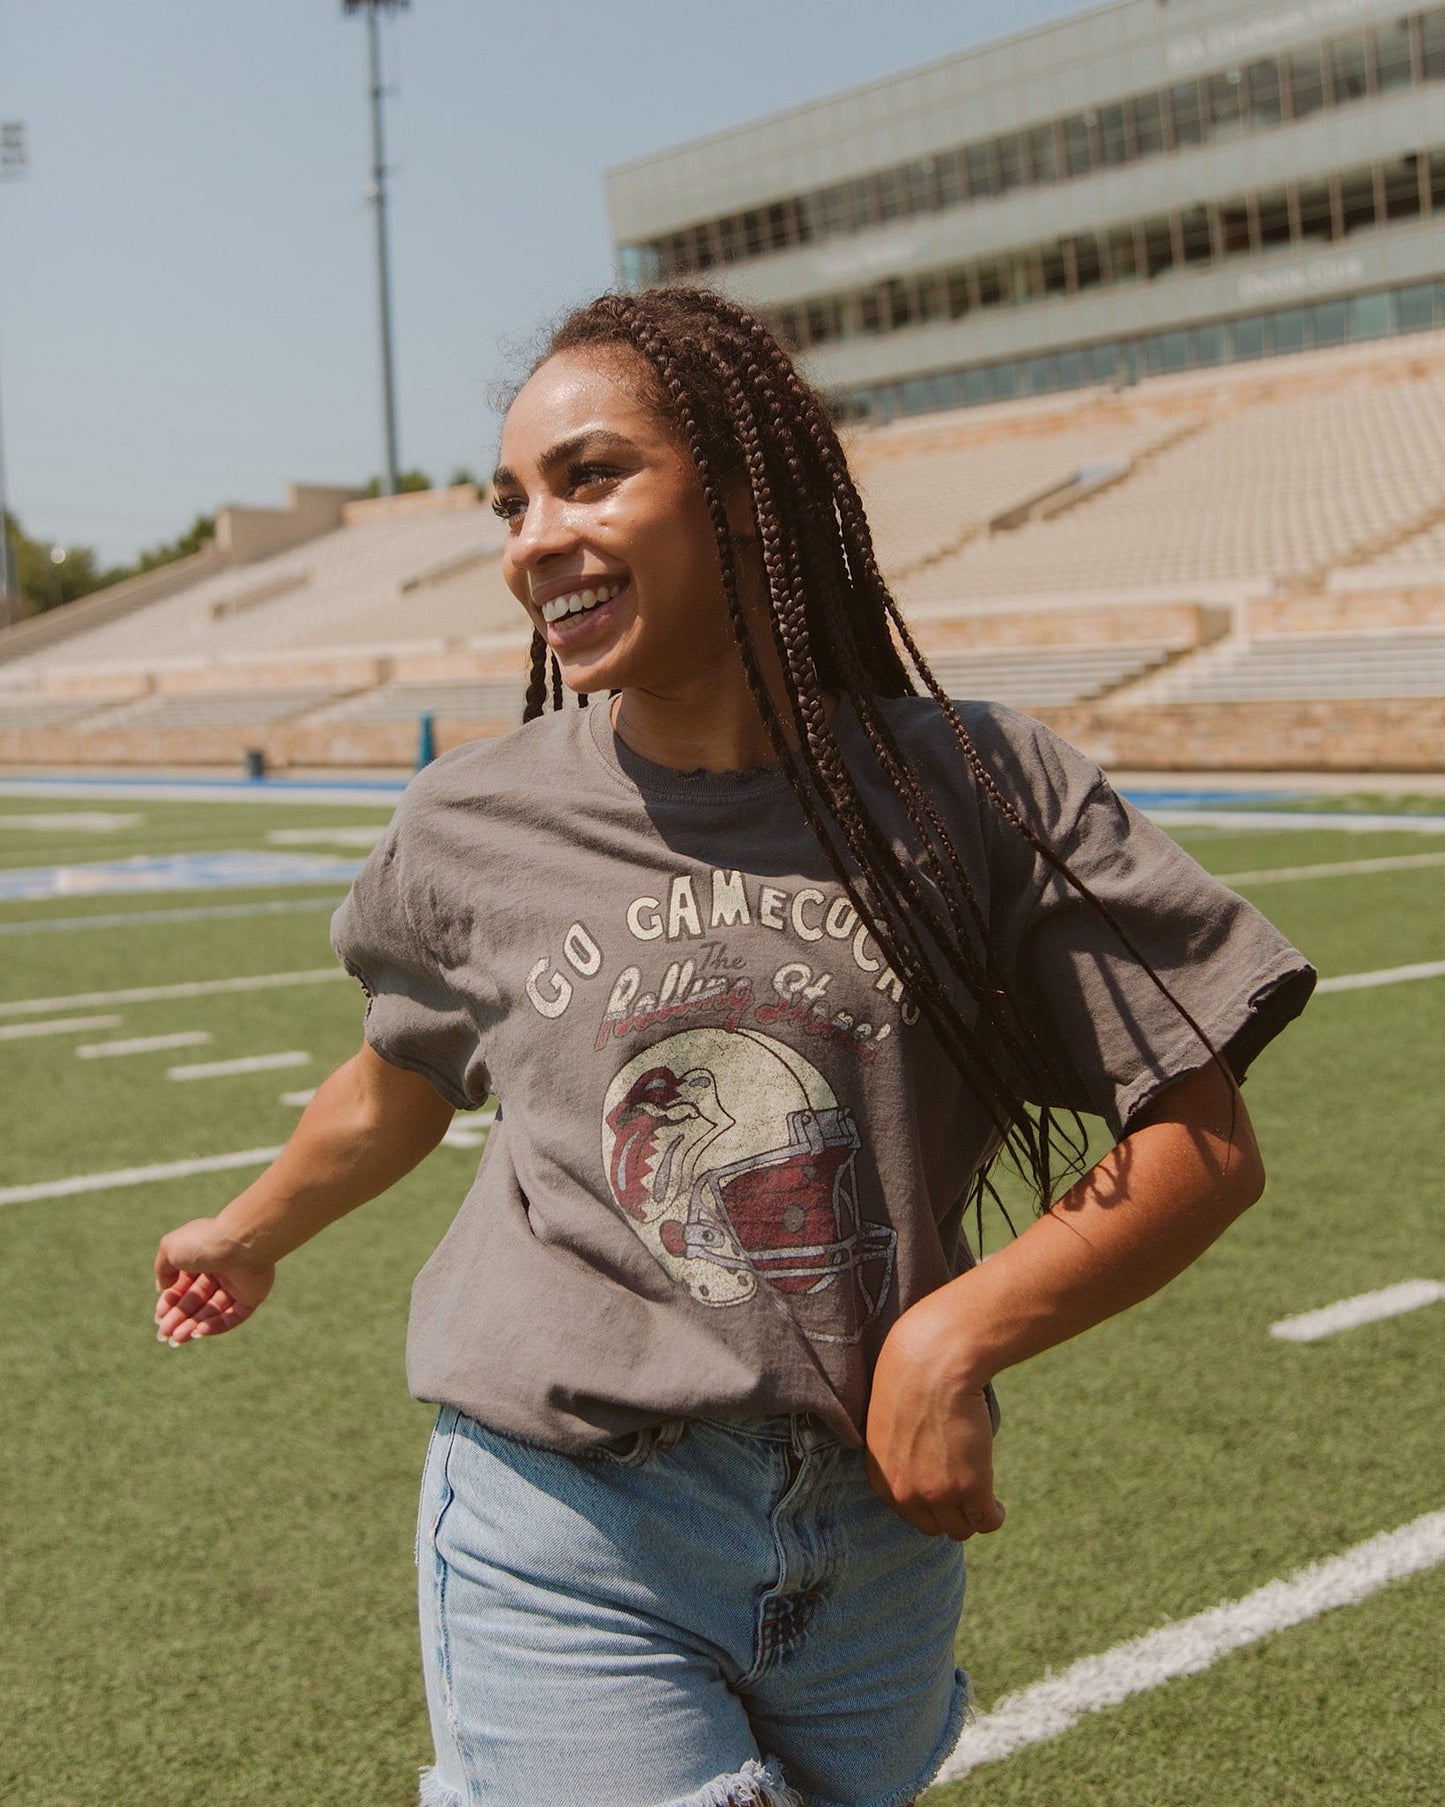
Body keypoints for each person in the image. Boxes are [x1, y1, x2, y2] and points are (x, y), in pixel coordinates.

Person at [153, 287, 1315, 1807]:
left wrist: (951, 1336)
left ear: (749, 495)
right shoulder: (468, 821)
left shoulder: (981, 789)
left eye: (589, 477)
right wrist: (246, 1231)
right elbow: (396, 1082)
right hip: (568, 1518)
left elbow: (1200, 1147)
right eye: (512, 502)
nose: (533, 539)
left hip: (876, 1538)